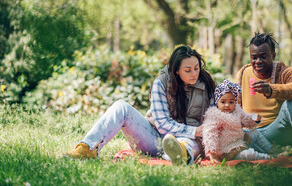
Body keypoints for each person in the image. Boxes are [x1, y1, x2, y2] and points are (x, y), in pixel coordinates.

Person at [65, 45, 216, 165]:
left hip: (190, 141)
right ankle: (87, 148)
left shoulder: (207, 84)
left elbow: (214, 115)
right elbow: (162, 124)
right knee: (121, 106)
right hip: (155, 139)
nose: (194, 73)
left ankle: (179, 155)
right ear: (176, 71)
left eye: (196, 68)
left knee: (188, 144)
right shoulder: (161, 84)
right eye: (188, 70)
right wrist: (195, 130)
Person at [235, 32, 292, 167]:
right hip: (250, 133)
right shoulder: (243, 73)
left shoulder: (285, 71)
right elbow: (235, 105)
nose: (258, 61)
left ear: (273, 55)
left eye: (263, 57)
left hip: (276, 130)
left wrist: (272, 90)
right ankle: (284, 152)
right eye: (254, 57)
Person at [202, 79, 272, 162]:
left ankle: (273, 150)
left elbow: (247, 120)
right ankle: (268, 158)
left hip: (240, 142)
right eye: (223, 102)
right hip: (227, 151)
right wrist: (213, 154)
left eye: (231, 102)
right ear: (217, 102)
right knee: (248, 154)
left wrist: (255, 119)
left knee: (255, 133)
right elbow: (209, 134)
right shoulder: (214, 115)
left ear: (235, 102)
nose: (227, 105)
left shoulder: (237, 111)